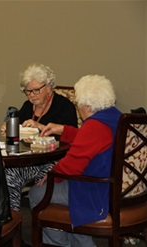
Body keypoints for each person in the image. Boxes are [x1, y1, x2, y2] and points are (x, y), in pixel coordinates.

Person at [29, 75, 122, 246]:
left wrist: (51, 176)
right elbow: (91, 141)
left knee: (36, 193)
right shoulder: (114, 116)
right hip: (115, 187)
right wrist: (63, 130)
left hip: (96, 189)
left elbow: (71, 166)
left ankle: (60, 244)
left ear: (86, 106)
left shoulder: (94, 126)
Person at [1, 63, 78, 211]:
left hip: (53, 159)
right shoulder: (27, 106)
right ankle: (13, 222)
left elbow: (72, 139)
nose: (31, 95)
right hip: (28, 160)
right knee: (7, 176)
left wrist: (41, 127)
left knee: (42, 182)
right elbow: (16, 127)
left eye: (36, 90)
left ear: (49, 86)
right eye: (28, 91)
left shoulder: (64, 106)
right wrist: (8, 127)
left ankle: (41, 223)